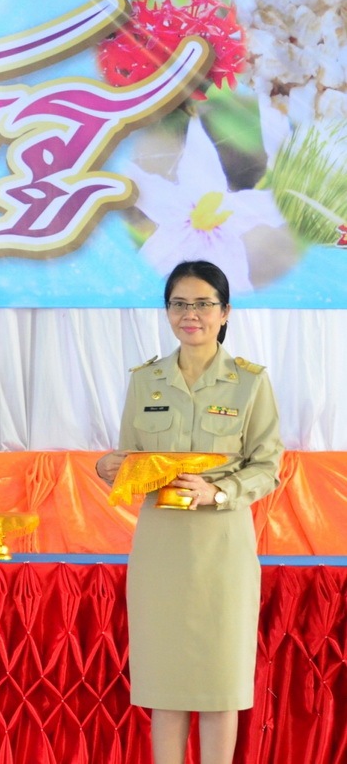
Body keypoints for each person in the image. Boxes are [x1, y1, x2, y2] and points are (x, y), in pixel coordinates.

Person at [96, 260, 282, 764]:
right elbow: (131, 459)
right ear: (167, 311)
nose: (190, 314)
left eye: (203, 304)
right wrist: (108, 467)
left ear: (225, 312)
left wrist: (217, 492)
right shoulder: (145, 380)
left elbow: (268, 466)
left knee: (221, 682)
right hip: (161, 547)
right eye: (179, 304)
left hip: (222, 546)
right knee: (166, 680)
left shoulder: (249, 382)